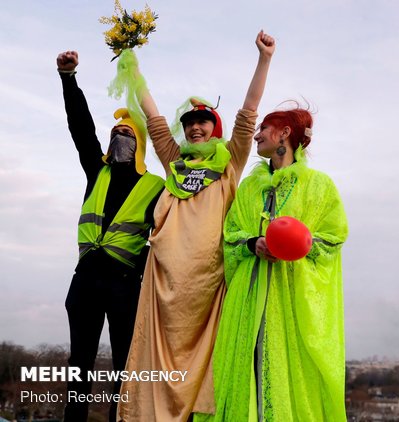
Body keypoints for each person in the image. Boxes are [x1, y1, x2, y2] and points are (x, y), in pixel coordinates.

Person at [117, 31, 275, 421]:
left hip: (208, 283)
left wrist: (264, 60)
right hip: (163, 280)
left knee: (203, 367)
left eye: (203, 123)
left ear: (214, 129)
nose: (195, 129)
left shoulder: (229, 163)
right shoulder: (174, 163)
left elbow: (248, 114)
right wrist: (131, 64)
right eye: (189, 124)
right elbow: (153, 117)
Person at [195, 105, 348, 421]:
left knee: (287, 370)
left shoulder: (319, 185)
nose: (256, 135)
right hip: (247, 300)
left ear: (285, 133)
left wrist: (294, 245)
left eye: (263, 128)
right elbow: (231, 235)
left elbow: (332, 239)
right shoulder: (249, 187)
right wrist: (253, 243)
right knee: (242, 369)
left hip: (289, 298)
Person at [57, 50, 165, 422]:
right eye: (116, 133)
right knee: (79, 363)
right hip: (85, 280)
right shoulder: (96, 170)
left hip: (124, 284)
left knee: (124, 362)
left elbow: (167, 233)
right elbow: (80, 127)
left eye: (128, 133)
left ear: (140, 145)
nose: (120, 137)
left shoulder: (155, 185)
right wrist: (68, 78)